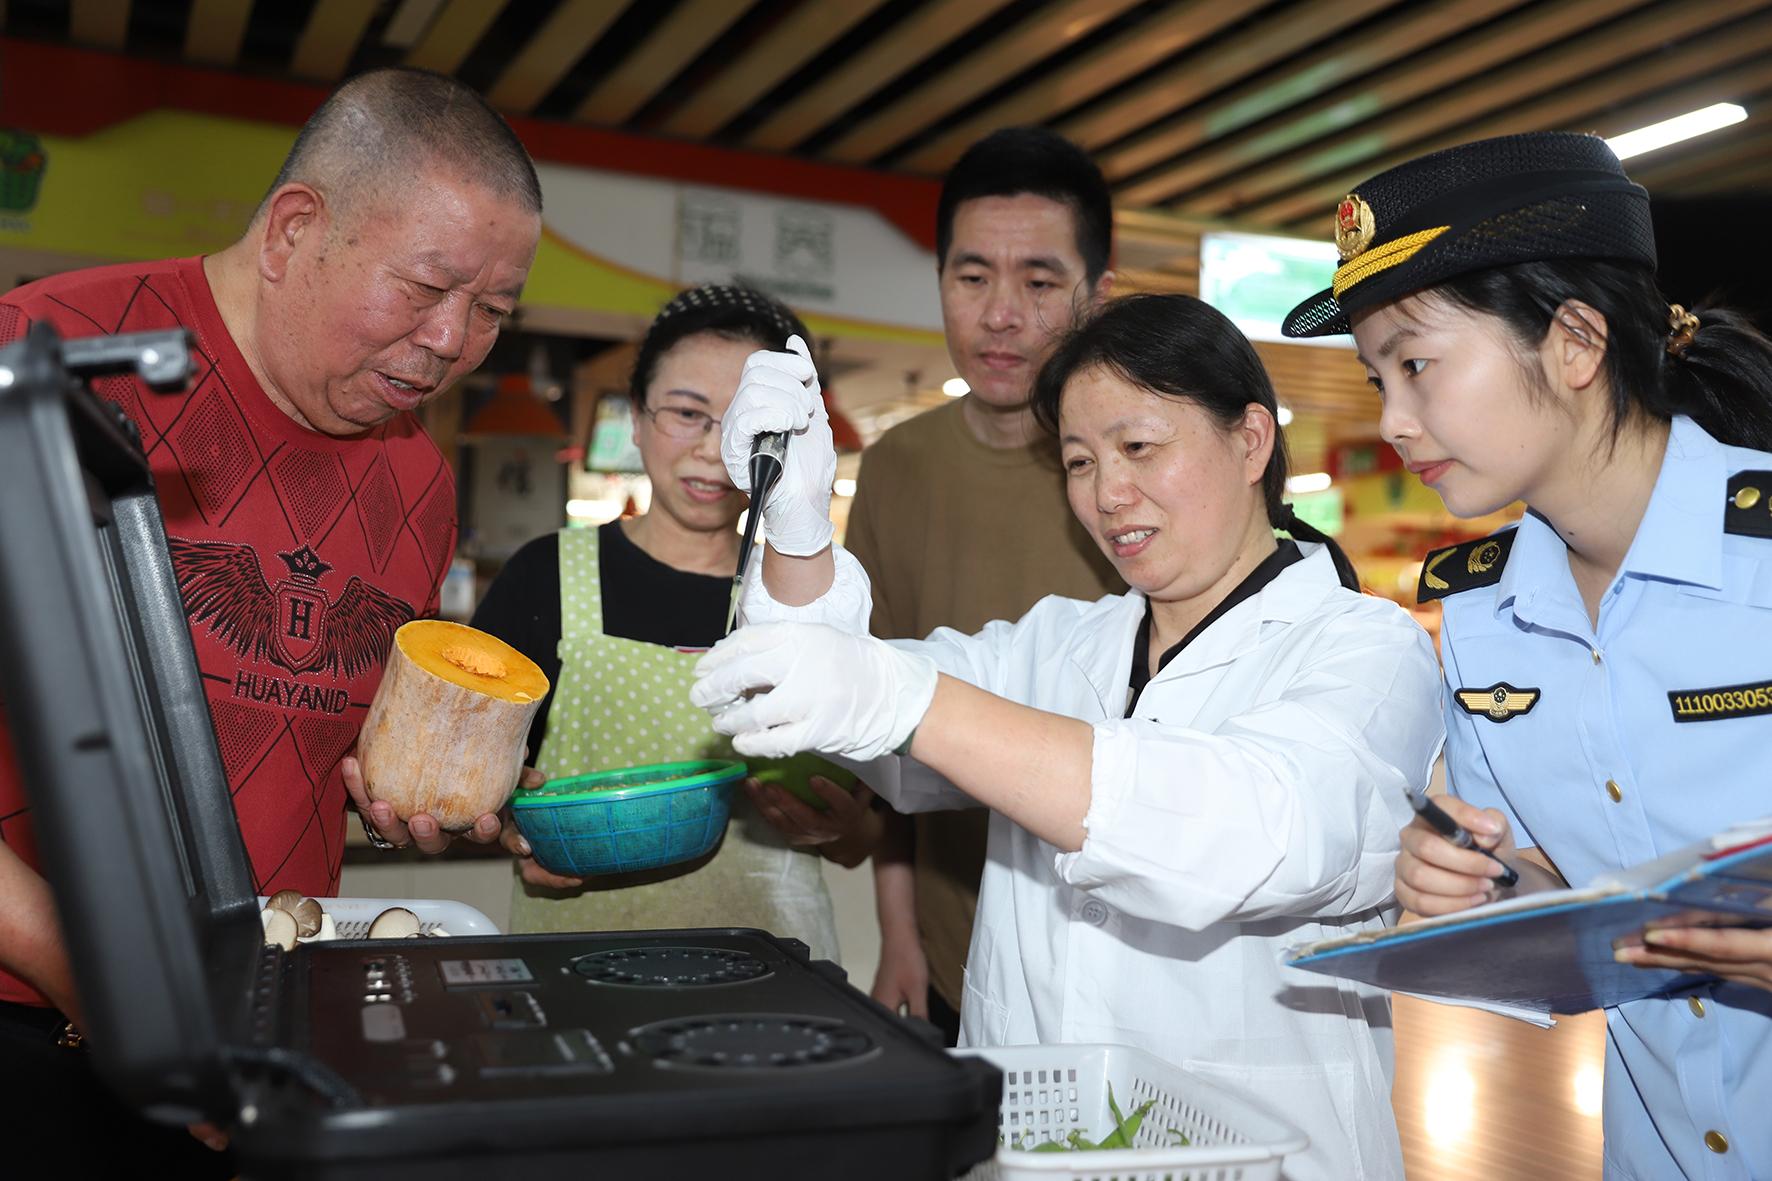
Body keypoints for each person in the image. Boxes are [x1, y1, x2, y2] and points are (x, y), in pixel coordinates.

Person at [695, 294, 1446, 1181]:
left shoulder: (1367, 648)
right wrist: (797, 532)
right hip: (1035, 1150)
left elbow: (1262, 827)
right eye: (1080, 461)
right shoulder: (1056, 644)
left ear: (1251, 441)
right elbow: (846, 707)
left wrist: (907, 699)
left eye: (1140, 447)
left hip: (1261, 1157)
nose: (1107, 493)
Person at [0, 67, 541, 1175]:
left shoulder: (420, 483)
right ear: (295, 229)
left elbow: (321, 742)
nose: (452, 340)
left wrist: (418, 794)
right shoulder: (45, 354)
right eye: (426, 286)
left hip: (263, 1023)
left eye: (492, 310)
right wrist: (83, 965)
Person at [1280, 130, 1772, 1180]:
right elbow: (1560, 879)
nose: (1392, 420)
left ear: (1574, 342)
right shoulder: (1480, 613)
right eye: (1376, 378)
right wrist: (1479, 884)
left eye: (1415, 364)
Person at [758, 127, 1122, 1045]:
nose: (1000, 314)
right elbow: (883, 708)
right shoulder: (896, 466)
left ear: (1097, 294)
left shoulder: (1134, 468)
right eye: (972, 276)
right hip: (957, 946)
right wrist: (900, 932)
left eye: (1039, 282)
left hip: (1120, 947)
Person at [472, 285, 852, 959]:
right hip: (578, 966)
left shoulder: (815, 594)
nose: (713, 448)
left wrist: (843, 829)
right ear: (637, 418)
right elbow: (474, 777)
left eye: (745, 420)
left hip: (772, 971)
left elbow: (864, 826)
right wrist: (508, 825)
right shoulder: (544, 574)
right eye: (687, 412)